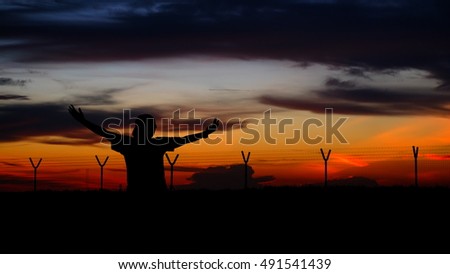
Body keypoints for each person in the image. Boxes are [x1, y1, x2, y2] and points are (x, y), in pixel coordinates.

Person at [68, 105, 218, 192]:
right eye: (152, 126)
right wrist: (206, 133)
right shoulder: (156, 143)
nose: (153, 129)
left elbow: (102, 132)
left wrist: (83, 121)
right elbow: (185, 140)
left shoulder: (128, 143)